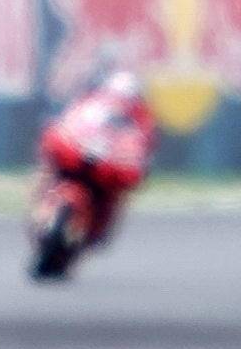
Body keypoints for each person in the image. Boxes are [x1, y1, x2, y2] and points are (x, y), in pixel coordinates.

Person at [40, 70, 157, 251]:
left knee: (117, 194)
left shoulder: (141, 117)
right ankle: (42, 205)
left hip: (108, 165)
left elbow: (142, 146)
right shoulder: (90, 102)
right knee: (47, 169)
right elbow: (69, 121)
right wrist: (63, 135)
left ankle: (101, 227)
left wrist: (134, 161)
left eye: (126, 96)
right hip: (79, 153)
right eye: (117, 94)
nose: (120, 100)